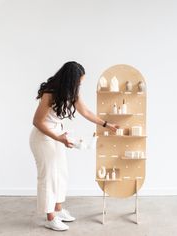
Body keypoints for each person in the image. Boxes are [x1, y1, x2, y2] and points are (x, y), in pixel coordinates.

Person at [29, 61, 118, 231]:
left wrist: (107, 124)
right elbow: (37, 122)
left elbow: (86, 112)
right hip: (43, 137)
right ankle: (50, 217)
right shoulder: (50, 94)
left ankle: (58, 209)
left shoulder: (71, 93)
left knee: (61, 173)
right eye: (78, 82)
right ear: (69, 80)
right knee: (48, 177)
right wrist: (59, 137)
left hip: (57, 136)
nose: (79, 85)